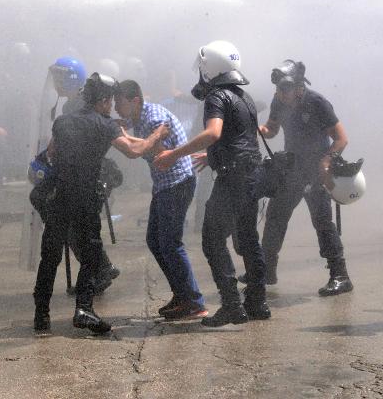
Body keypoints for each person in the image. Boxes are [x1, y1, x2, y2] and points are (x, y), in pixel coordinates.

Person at [33, 72, 169, 334]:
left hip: (58, 197)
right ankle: (84, 309)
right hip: (85, 198)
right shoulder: (105, 125)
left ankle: (41, 316)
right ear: (105, 101)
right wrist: (157, 135)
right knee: (92, 254)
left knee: (49, 257)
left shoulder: (62, 121)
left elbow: (51, 152)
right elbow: (134, 151)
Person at [154, 40, 270, 327]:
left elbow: (214, 132)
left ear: (210, 67)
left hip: (232, 179)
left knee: (212, 239)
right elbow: (243, 138)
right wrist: (212, 155)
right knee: (248, 239)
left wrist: (174, 154)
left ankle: (231, 305)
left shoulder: (217, 96)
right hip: (251, 175)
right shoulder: (244, 97)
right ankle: (257, 302)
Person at [240, 60, 352, 296]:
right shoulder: (278, 101)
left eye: (285, 90)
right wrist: (259, 130)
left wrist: (326, 161)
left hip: (315, 171)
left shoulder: (318, 102)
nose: (280, 94)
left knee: (321, 221)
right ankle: (266, 270)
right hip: (291, 169)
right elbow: (272, 128)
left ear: (299, 87)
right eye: (278, 90)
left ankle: (340, 275)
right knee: (275, 216)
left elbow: (341, 138)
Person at [115, 79, 207, 320]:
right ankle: (182, 295)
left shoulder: (153, 118)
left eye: (119, 103)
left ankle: (194, 301)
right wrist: (126, 134)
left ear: (134, 101)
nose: (116, 108)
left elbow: (160, 152)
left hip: (176, 182)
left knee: (170, 243)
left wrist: (141, 138)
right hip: (165, 184)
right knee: (155, 241)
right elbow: (146, 144)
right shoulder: (140, 118)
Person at [49, 56, 120, 292]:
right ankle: (101, 268)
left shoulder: (74, 105)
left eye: (60, 77)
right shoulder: (73, 103)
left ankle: (98, 270)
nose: (56, 82)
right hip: (90, 171)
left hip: (90, 173)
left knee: (77, 228)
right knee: (78, 228)